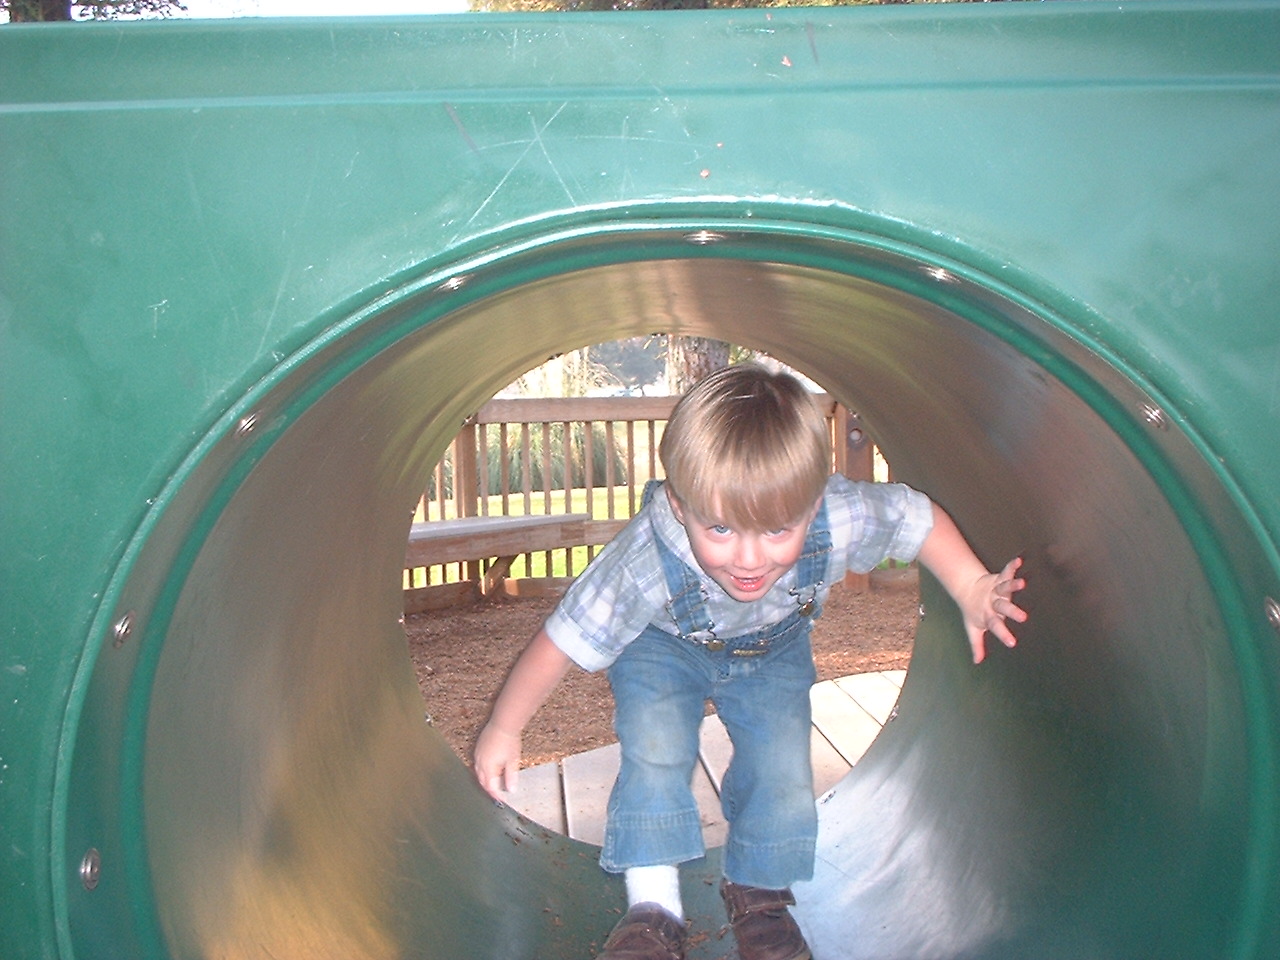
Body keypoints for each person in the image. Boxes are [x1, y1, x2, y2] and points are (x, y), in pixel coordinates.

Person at [474, 363, 1027, 960]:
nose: (747, 557)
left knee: (782, 765)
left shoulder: (838, 515)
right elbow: (560, 639)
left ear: (812, 506)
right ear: (681, 507)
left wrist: (972, 586)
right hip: (662, 648)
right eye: (719, 527)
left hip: (774, 649)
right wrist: (505, 728)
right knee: (656, 751)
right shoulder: (644, 558)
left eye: (776, 530)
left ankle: (758, 890)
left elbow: (917, 521)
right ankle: (654, 911)